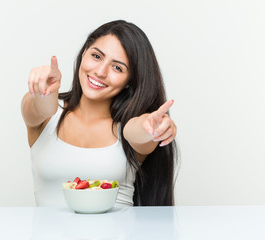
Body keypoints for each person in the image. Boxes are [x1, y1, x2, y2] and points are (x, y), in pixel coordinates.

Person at [21, 20, 177, 207]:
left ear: (129, 80)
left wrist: (151, 127)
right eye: (96, 56)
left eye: (117, 67)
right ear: (84, 51)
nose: (100, 72)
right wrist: (43, 91)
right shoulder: (47, 115)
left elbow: (138, 130)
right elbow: (43, 108)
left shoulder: (130, 128)